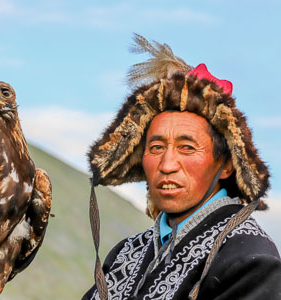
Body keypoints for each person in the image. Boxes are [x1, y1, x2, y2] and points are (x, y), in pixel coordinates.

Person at [82, 34, 281, 300]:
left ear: (226, 165)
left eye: (187, 147)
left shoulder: (250, 261)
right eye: (156, 147)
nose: (167, 164)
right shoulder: (125, 253)